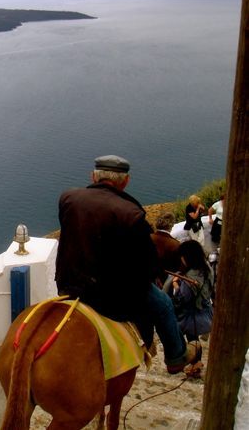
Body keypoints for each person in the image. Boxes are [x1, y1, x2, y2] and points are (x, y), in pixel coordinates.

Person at [56, 155, 200, 374]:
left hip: (68, 285)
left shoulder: (68, 199)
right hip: (108, 295)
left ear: (93, 176)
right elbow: (149, 265)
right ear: (125, 181)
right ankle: (176, 356)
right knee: (163, 304)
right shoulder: (131, 214)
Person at [170, 240, 214, 347]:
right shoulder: (207, 268)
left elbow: (183, 298)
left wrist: (175, 284)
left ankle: (196, 362)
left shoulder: (190, 276)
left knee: (192, 341)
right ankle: (196, 361)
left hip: (191, 316)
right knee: (194, 340)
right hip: (205, 310)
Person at [150, 212, 181, 284]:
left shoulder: (148, 237)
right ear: (172, 225)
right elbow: (177, 269)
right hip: (166, 283)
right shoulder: (175, 244)